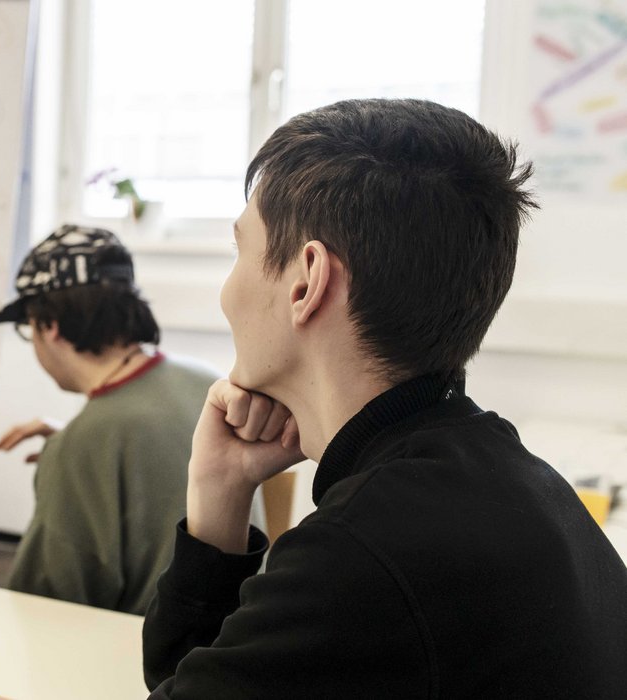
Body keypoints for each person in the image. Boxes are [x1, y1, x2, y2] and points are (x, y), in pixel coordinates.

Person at [142, 98, 627, 697]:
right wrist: (222, 489)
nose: (226, 293)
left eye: (239, 251)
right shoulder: (510, 477)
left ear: (307, 281)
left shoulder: (366, 551)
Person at [0, 225, 218, 615]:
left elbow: (43, 607)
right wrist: (86, 450)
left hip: (146, 661)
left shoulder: (85, 444)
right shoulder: (209, 386)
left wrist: (76, 454)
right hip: (239, 642)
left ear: (49, 326)